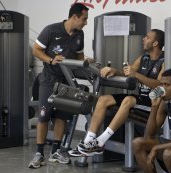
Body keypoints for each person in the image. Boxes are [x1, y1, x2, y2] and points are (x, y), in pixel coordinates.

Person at [68, 29, 165, 157]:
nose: (143, 39)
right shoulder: (143, 58)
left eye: (147, 37)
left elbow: (160, 85)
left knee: (128, 100)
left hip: (153, 102)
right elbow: (127, 73)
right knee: (103, 99)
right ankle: (87, 143)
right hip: (139, 98)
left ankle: (100, 142)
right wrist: (114, 71)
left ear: (155, 43)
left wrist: (136, 75)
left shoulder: (164, 60)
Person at [28, 3, 89, 169]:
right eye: (84, 19)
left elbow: (79, 56)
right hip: (49, 79)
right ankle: (39, 154)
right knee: (44, 115)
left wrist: (85, 62)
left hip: (67, 80)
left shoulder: (79, 34)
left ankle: (55, 152)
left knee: (62, 116)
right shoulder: (51, 30)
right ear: (74, 17)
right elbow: (36, 50)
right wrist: (50, 60)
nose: (85, 22)